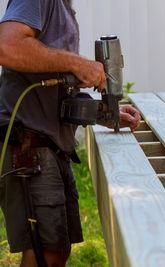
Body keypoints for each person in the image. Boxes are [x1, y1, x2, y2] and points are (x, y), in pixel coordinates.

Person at [0, 0, 141, 266]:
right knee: (44, 255)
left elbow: (57, 90)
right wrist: (77, 64)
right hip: (29, 149)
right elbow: (7, 46)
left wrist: (106, 115)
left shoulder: (62, 5)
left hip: (51, 148)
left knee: (57, 251)